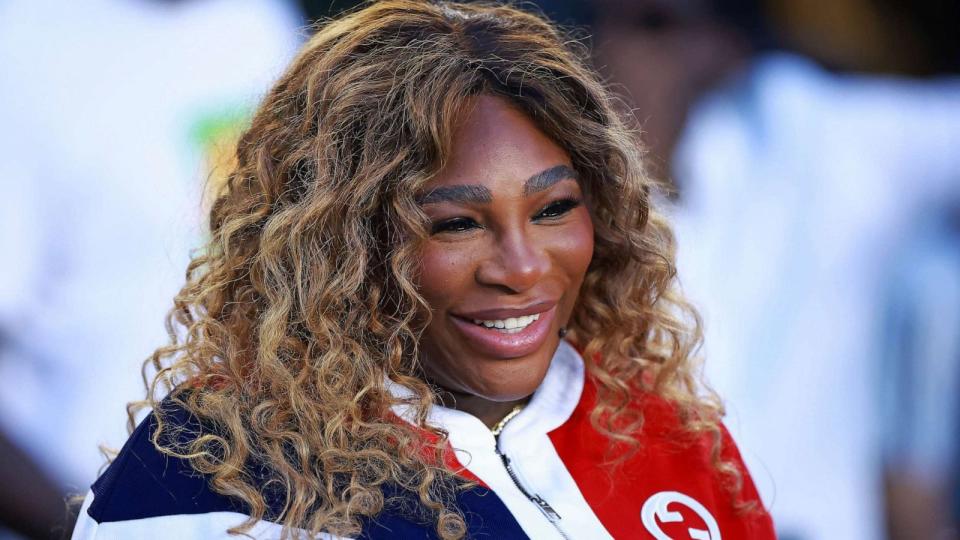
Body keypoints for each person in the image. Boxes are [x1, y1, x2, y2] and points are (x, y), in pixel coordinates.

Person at [70, 1, 775, 538]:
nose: (524, 267)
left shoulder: (665, 434)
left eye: (554, 208)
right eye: (457, 224)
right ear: (341, 244)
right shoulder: (208, 475)